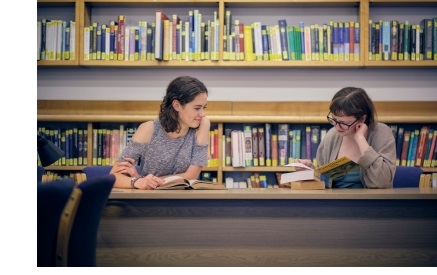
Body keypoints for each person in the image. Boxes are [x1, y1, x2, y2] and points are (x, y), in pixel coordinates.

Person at [110, 76, 210, 189]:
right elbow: (114, 176)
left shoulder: (202, 126)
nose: (203, 114)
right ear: (176, 105)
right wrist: (137, 181)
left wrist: (145, 180)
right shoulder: (148, 129)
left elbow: (191, 176)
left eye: (204, 107)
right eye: (197, 108)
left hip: (185, 200)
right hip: (151, 200)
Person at [296, 87, 396, 188]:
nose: (337, 127)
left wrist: (361, 140)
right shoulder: (332, 136)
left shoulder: (381, 133)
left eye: (344, 123)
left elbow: (382, 183)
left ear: (362, 119)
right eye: (334, 120)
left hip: (370, 203)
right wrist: (312, 171)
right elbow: (325, 183)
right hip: (333, 202)